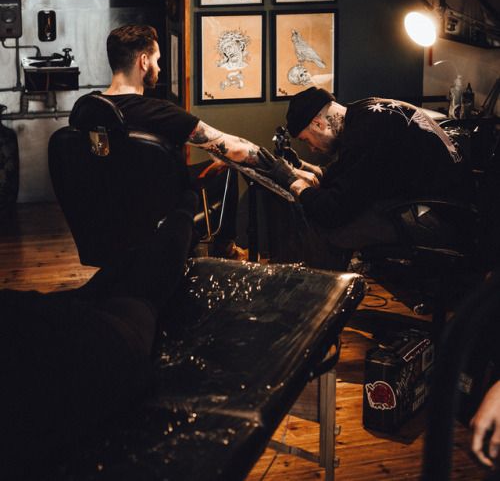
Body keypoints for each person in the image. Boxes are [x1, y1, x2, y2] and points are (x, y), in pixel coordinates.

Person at [0, 188, 198, 478]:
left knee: (109, 283)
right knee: (141, 288)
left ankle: (181, 211)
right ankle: (185, 207)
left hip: (50, 329)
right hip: (105, 347)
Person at [89, 24, 313, 259]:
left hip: (109, 214)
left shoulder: (87, 109)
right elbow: (234, 148)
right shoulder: (158, 113)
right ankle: (225, 249)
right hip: (160, 211)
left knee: (218, 167)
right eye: (157, 60)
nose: (159, 67)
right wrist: (287, 172)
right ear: (143, 61)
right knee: (228, 166)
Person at [266, 86, 469, 269]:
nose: (312, 148)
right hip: (444, 205)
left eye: (307, 140)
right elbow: (345, 176)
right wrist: (301, 167)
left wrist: (294, 183)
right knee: (325, 208)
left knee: (324, 226)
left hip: (440, 219)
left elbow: (333, 210)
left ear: (318, 124)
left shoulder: (367, 133)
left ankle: (315, 298)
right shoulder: (365, 113)